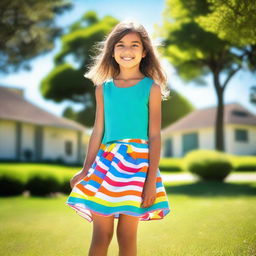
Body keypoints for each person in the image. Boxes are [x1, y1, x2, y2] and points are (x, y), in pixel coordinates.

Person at [65, 19, 171, 256]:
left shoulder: (151, 88)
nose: (127, 50)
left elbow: (154, 136)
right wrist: (85, 170)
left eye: (135, 45)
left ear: (144, 52)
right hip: (106, 165)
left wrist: (151, 180)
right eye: (121, 44)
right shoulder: (103, 89)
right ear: (112, 51)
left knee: (126, 235)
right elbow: (97, 131)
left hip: (137, 167)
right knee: (101, 235)